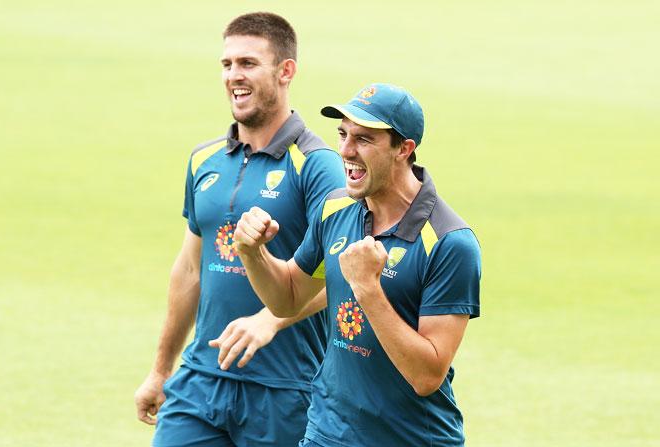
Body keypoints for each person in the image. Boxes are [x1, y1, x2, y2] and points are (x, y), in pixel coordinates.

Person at [134, 12, 346, 447]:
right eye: (227, 64)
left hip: (285, 390)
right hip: (198, 384)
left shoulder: (318, 166)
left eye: (248, 63)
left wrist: (271, 319)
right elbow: (190, 270)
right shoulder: (203, 160)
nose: (234, 75)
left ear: (285, 71)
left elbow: (348, 274)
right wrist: (160, 369)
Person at [234, 83, 482, 447]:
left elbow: (426, 375)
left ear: (404, 149)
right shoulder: (335, 209)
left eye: (364, 140)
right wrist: (252, 253)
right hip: (327, 433)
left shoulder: (449, 242)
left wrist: (367, 288)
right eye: (342, 134)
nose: (346, 151)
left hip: (411, 439)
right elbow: (287, 298)